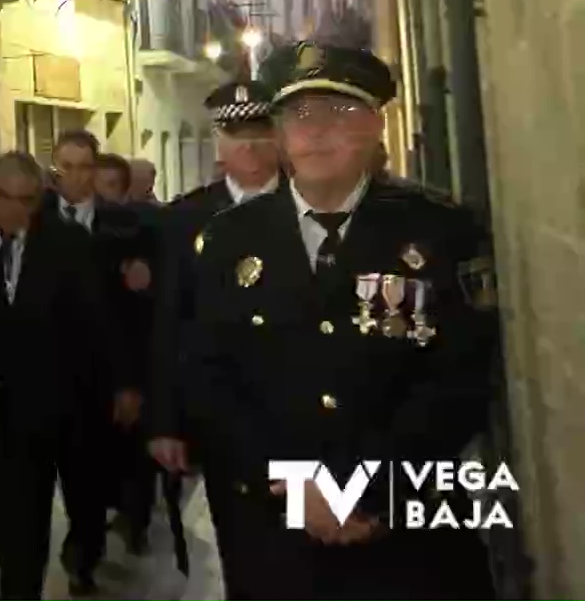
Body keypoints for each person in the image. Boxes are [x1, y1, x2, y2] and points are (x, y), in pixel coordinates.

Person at [183, 42, 499, 599]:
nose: (318, 131)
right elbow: (210, 380)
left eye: (342, 111)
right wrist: (292, 484)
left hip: (410, 522)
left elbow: (461, 377)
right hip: (278, 525)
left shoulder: (441, 231)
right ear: (278, 133)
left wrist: (368, 489)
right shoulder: (229, 241)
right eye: (299, 115)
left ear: (377, 124)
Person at [0, 152, 121, 599]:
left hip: (60, 408)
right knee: (12, 522)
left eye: (28, 199)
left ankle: (73, 560)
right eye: (7, 198)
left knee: (69, 507)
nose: (16, 209)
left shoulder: (69, 243)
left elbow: (95, 324)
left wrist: (114, 389)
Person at [146, 78, 279, 596]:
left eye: (258, 129)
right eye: (233, 131)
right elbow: (168, 321)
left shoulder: (310, 206)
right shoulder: (185, 219)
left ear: (277, 134)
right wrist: (164, 422)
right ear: (218, 143)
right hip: (222, 420)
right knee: (241, 554)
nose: (246, 143)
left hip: (306, 414)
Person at [45, 130, 151, 590]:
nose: (75, 177)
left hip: (101, 377)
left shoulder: (125, 226)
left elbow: (136, 319)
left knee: (89, 479)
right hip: (49, 375)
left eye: (84, 167)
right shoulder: (34, 221)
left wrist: (129, 384)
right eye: (65, 167)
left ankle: (83, 555)